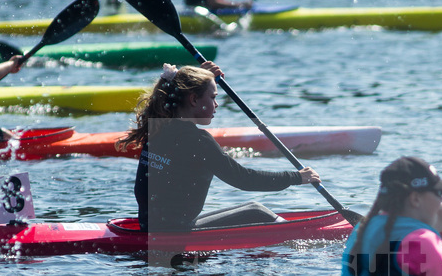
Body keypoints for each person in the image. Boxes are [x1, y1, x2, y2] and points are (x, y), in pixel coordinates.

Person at [117, 61, 319, 232]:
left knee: (252, 208)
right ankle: (298, 236)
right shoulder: (197, 140)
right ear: (194, 99)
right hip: (173, 231)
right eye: (213, 97)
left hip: (149, 225)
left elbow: (180, 89)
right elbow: (243, 179)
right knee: (257, 212)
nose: (217, 105)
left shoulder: (158, 127)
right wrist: (296, 177)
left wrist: (204, 78)